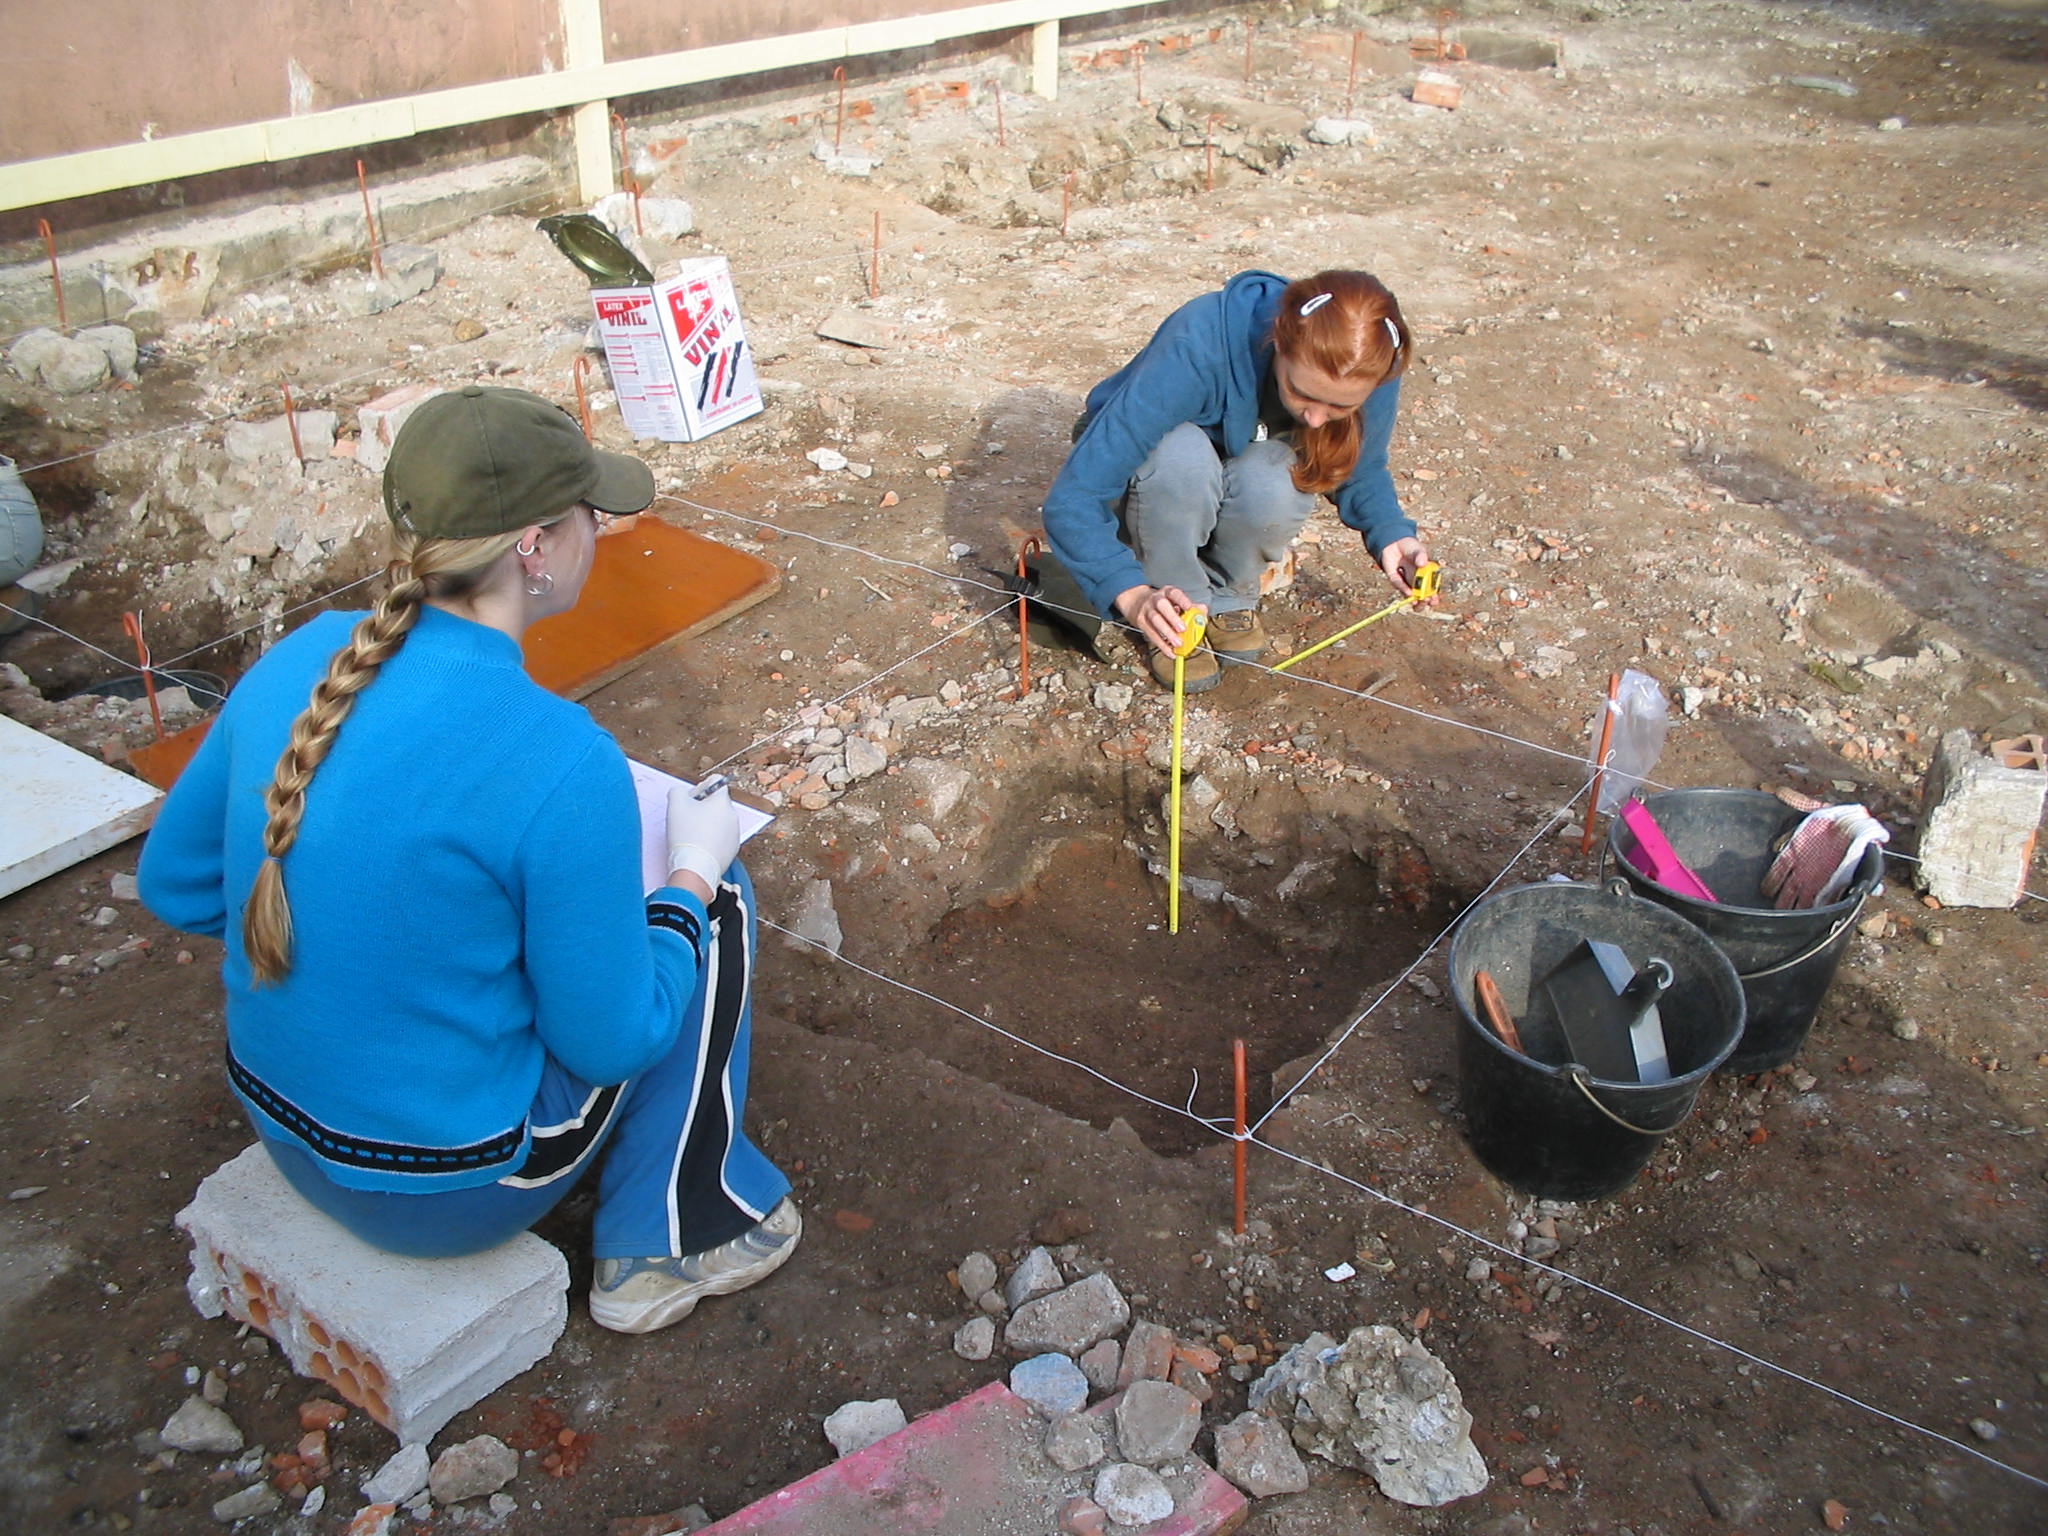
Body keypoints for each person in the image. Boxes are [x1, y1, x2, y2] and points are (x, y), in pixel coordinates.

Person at [138, 385, 797, 1335]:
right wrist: (688, 877)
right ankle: (678, 1233)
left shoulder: (308, 656)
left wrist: (366, 943)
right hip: (443, 1194)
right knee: (717, 896)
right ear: (536, 545)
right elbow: (613, 1042)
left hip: (284, 1128)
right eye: (590, 517)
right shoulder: (558, 754)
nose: (599, 535)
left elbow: (176, 883)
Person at [1040, 269, 1431, 692]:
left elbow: (1362, 466)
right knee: (1182, 458)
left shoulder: (1371, 367)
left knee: (1275, 473)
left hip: (1239, 461)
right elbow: (1075, 498)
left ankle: (1228, 594)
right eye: (1302, 394)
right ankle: (1176, 603)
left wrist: (1390, 533)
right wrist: (1131, 595)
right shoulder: (1200, 342)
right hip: (1154, 476)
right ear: (1278, 342)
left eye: (1338, 407)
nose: (1316, 418)